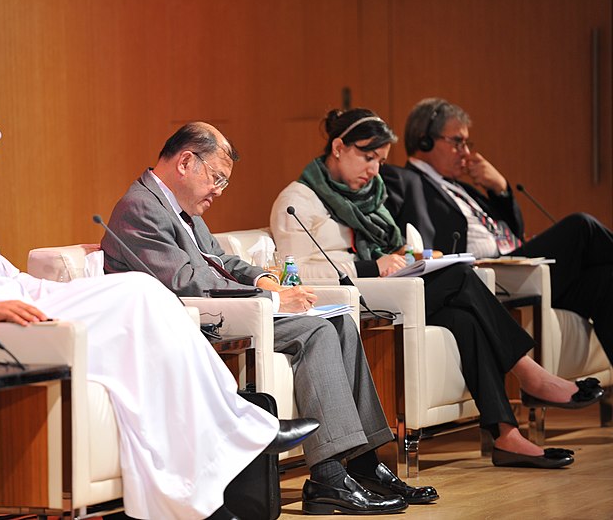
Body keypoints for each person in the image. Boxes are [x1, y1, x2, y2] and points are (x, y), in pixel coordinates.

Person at [0, 104, 320, 520]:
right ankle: (236, 438)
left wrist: (67, 283)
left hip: (27, 305)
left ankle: (232, 434)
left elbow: (10, 278)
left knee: (141, 290)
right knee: (137, 292)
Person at [102, 122, 436, 515]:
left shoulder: (179, 207)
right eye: (217, 178)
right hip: (191, 322)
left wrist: (263, 278)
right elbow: (186, 283)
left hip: (229, 309)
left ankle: (364, 464)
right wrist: (271, 298)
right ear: (186, 162)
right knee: (315, 332)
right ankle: (328, 476)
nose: (219, 191)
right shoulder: (140, 207)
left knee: (342, 322)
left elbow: (221, 261)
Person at [269, 108, 604, 469]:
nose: (373, 170)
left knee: (464, 318)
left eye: (380, 161)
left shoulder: (370, 194)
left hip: (391, 288)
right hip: (353, 297)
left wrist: (407, 257)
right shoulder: (297, 200)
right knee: (459, 276)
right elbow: (298, 271)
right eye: (367, 157)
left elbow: (389, 245)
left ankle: (507, 437)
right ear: (338, 147)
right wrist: (371, 265)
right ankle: (529, 373)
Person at [381, 97, 613, 365]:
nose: (466, 153)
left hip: (518, 268)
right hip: (482, 277)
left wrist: (500, 188)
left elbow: (514, 233)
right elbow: (395, 233)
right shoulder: (403, 180)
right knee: (580, 226)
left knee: (606, 280)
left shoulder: (463, 188)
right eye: (457, 142)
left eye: (467, 143)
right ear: (425, 141)